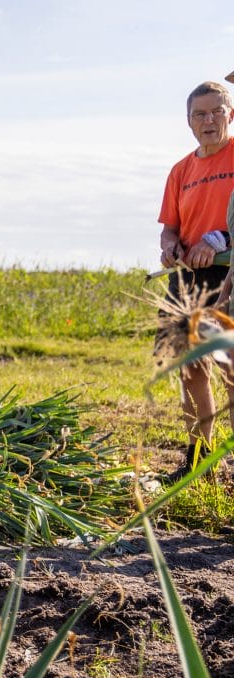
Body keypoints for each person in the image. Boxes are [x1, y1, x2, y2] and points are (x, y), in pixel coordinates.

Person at [157, 81, 234, 480]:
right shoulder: (180, 171)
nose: (209, 120)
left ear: (230, 114)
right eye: (199, 114)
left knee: (231, 371)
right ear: (188, 122)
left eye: (216, 111)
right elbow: (170, 229)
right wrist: (170, 247)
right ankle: (200, 462)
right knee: (191, 371)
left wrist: (220, 238)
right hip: (187, 281)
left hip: (229, 276)